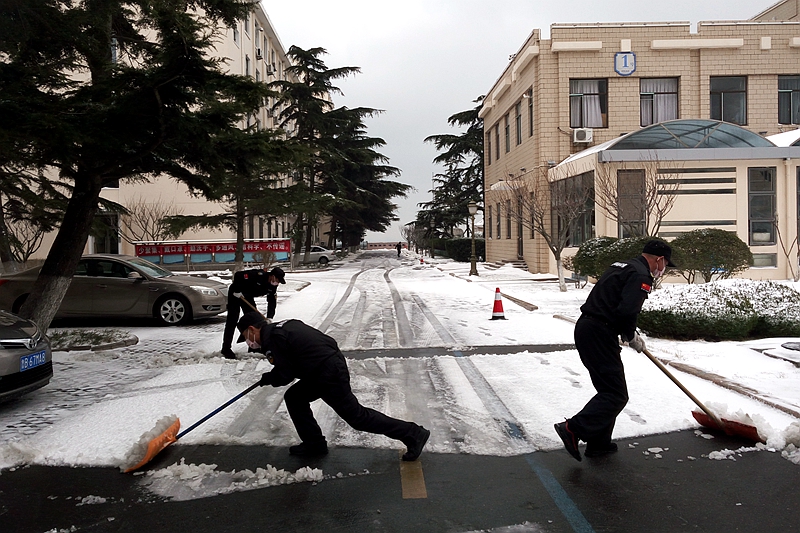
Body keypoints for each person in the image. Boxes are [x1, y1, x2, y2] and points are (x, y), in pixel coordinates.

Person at [236, 312, 431, 460]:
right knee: (295, 397)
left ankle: (413, 433)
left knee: (357, 417)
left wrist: (270, 377)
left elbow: (285, 374)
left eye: (246, 336)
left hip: (327, 372)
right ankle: (314, 444)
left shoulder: (273, 339)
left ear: (252, 329)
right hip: (323, 368)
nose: (248, 341)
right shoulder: (283, 327)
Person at [554, 239, 676, 462]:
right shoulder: (640, 275)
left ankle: (598, 443)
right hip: (599, 332)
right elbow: (627, 310)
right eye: (666, 263)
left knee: (608, 389)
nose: (664, 269)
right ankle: (573, 428)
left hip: (588, 328)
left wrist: (626, 332)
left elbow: (611, 300)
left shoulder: (622, 265)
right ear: (659, 259)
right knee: (616, 394)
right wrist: (631, 335)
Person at [220, 266, 285, 359]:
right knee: (232, 320)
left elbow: (272, 301)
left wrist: (270, 316)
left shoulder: (272, 286)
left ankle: (254, 347)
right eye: (278, 280)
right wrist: (237, 290)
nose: (277, 283)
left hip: (247, 296)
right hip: (236, 294)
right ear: (272, 276)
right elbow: (238, 275)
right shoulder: (258, 275)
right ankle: (226, 348)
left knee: (255, 320)